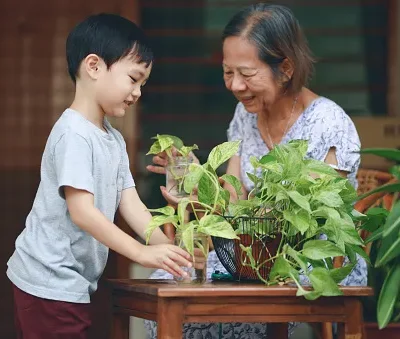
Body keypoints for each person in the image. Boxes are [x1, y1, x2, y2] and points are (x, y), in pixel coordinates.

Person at [145, 3, 367, 338]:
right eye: (227, 72)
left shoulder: (330, 124)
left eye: (247, 74)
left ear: (286, 67)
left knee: (217, 312)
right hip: (251, 254)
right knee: (168, 280)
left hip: (307, 258)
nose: (235, 85)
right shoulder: (245, 116)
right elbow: (235, 203)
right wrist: (199, 179)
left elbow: (305, 218)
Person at [6, 13, 194, 339]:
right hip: (46, 281)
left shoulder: (112, 138)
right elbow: (83, 212)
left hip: (69, 283)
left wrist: (172, 254)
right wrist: (140, 253)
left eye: (143, 84)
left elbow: (131, 205)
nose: (137, 92)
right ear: (94, 67)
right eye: (133, 79)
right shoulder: (73, 133)